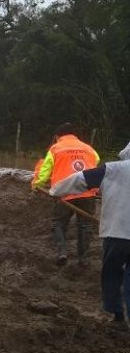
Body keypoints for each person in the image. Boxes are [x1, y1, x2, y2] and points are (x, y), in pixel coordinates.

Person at [50, 141, 130, 329]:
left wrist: (56, 191)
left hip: (117, 234)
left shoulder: (113, 169)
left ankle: (118, 316)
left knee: (111, 273)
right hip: (117, 232)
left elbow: (80, 179)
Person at [32, 123, 100, 265]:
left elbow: (44, 171)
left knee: (58, 223)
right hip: (88, 192)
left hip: (64, 193)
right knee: (85, 226)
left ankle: (62, 253)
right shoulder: (89, 148)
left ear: (58, 136)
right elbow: (96, 161)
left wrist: (37, 184)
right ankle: (83, 259)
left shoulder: (55, 148)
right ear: (74, 135)